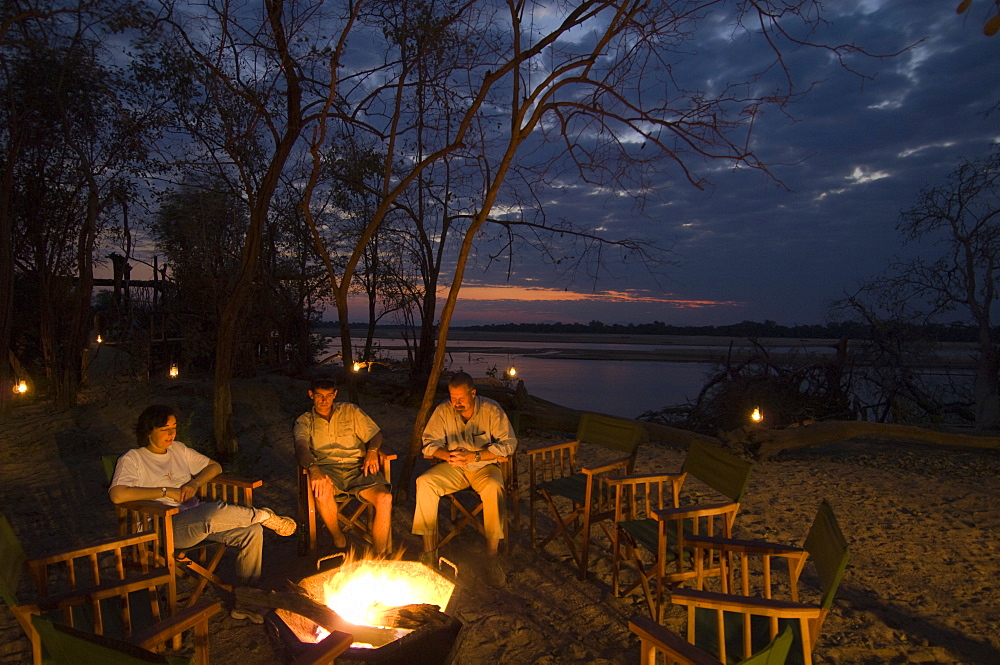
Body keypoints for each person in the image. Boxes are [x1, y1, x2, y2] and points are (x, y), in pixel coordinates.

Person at [109, 404, 296, 624]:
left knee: (252, 532)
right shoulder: (133, 459)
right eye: (165, 429)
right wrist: (165, 491)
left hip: (195, 519)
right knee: (210, 514)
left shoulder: (178, 450)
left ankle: (246, 602)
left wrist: (195, 482)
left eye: (174, 427)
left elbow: (214, 467)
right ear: (148, 431)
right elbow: (117, 495)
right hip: (163, 527)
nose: (172, 433)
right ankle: (264, 515)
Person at [413, 371, 517, 588]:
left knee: (494, 487)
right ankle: (430, 552)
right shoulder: (444, 410)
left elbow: (509, 444)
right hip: (454, 468)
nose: (456, 403)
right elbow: (428, 442)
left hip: (484, 467)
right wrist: (446, 455)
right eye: (453, 398)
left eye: (461, 398)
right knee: (424, 482)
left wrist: (476, 455)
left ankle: (491, 557)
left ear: (473, 393)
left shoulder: (490, 409)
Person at [294, 377, 392, 555]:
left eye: (329, 396)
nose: (324, 401)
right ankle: (339, 540)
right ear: (311, 395)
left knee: (385, 498)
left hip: (359, 468)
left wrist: (372, 451)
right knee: (321, 489)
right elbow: (301, 448)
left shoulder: (351, 411)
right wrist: (314, 469)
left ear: (335, 395)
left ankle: (380, 556)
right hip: (328, 471)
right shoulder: (305, 421)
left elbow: (376, 434)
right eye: (319, 396)